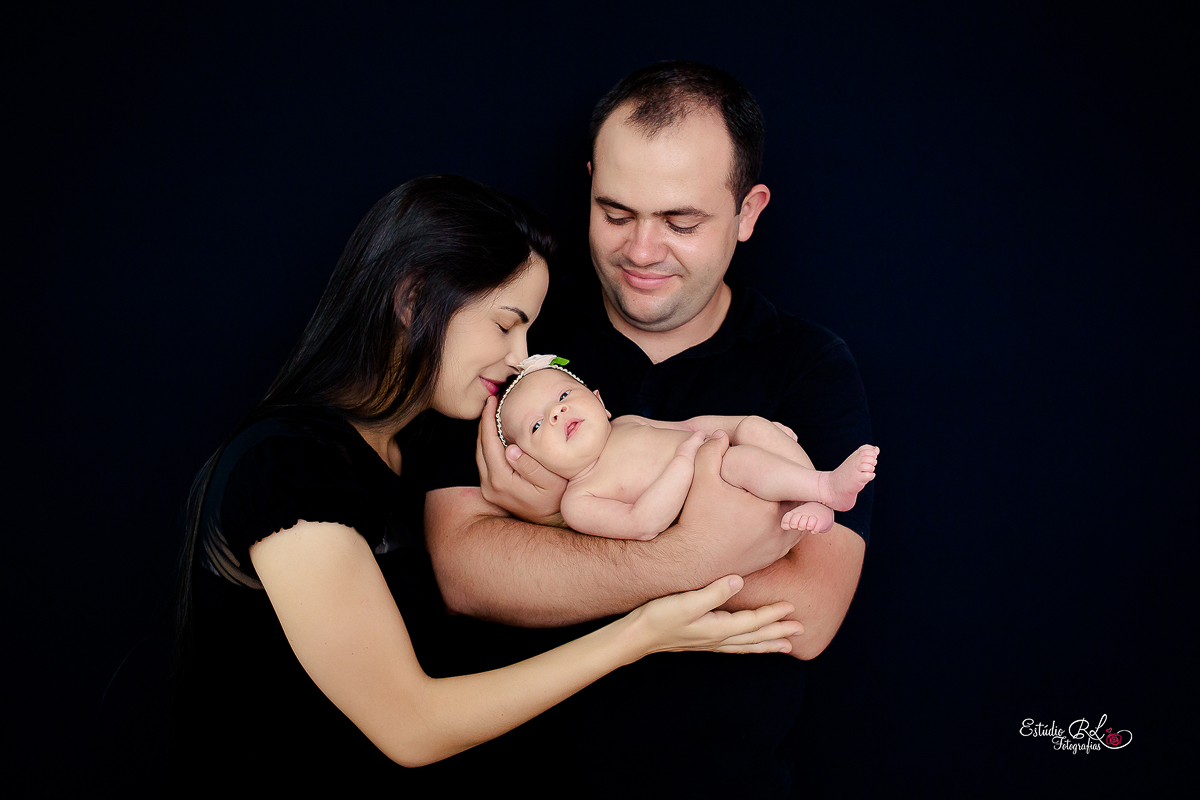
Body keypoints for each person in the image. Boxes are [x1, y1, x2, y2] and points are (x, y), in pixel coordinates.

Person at [168, 174, 802, 791]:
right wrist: (641, 635)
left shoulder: (414, 452)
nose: (520, 356)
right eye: (506, 324)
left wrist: (563, 509)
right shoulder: (289, 467)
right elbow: (410, 727)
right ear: (414, 298)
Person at [420, 62, 874, 796]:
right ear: (592, 180)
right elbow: (466, 572)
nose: (640, 251)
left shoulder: (807, 365)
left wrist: (548, 526)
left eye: (681, 221)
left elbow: (809, 611)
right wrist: (704, 549)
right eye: (616, 212)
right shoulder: (516, 340)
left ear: (748, 211)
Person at [494, 354, 878, 538]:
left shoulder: (627, 423)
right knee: (737, 462)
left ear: (598, 400)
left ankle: (813, 497)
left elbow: (688, 425)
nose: (558, 412)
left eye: (563, 394)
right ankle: (825, 488)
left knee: (757, 428)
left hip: (718, 451)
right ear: (528, 461)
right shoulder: (578, 500)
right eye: (538, 424)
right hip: (714, 487)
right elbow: (641, 524)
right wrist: (681, 464)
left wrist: (739, 426)